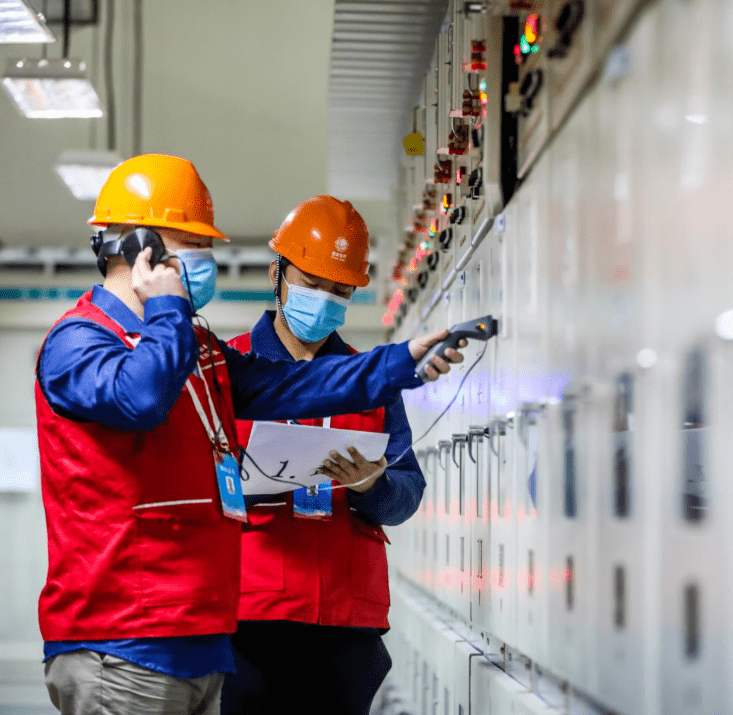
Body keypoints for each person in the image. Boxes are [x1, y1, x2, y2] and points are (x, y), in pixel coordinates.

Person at [36, 155, 462, 715]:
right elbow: (140, 397)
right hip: (124, 636)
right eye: (192, 244)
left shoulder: (199, 352)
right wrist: (169, 307)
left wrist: (404, 360)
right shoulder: (80, 342)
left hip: (196, 634)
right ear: (141, 246)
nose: (207, 261)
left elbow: (302, 384)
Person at [221, 196, 424, 715]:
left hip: (345, 623)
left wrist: (371, 485)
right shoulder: (230, 368)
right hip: (250, 618)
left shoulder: (372, 380)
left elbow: (405, 497)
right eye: (310, 282)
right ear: (277, 274)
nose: (323, 299)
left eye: (338, 290)